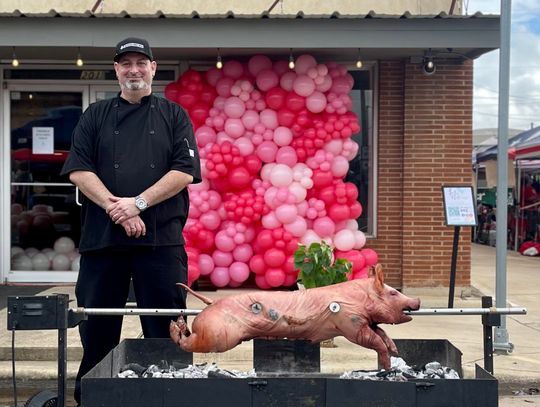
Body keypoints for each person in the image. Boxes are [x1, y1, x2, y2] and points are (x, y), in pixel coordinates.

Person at [60, 37, 201, 405]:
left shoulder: (174, 116)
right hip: (103, 242)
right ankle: (91, 396)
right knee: (97, 328)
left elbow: (184, 172)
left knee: (166, 326)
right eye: (126, 63)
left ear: (154, 68)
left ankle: (170, 396)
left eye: (142, 63)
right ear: (116, 69)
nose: (134, 70)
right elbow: (78, 169)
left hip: (161, 242)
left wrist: (137, 204)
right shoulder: (95, 115)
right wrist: (117, 209)